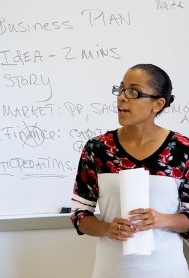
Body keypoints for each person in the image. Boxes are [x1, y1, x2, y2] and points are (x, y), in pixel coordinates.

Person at [71, 64, 189, 277]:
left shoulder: (183, 149)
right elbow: (79, 215)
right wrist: (107, 228)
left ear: (158, 104)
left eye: (133, 91)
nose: (122, 97)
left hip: (168, 270)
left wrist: (164, 219)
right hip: (112, 270)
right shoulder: (97, 148)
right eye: (121, 89)